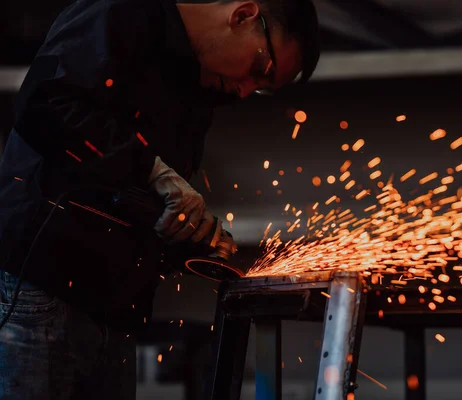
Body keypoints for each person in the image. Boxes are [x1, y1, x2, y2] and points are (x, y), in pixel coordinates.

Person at [0, 0, 320, 397]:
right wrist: (152, 170)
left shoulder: (198, 86)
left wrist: (188, 231)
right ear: (243, 15)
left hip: (115, 309)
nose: (244, 89)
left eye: (261, 88)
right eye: (259, 71)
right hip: (42, 289)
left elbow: (123, 190)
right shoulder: (123, 12)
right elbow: (44, 106)